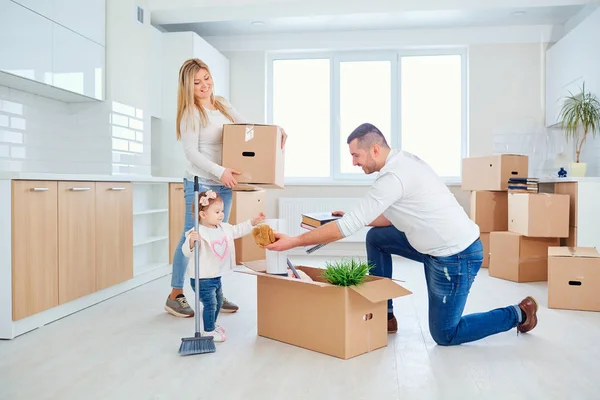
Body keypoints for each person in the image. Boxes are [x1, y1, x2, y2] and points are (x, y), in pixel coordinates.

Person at [265, 122, 539, 346]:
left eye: (356, 156)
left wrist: (294, 242)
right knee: (377, 238)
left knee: (445, 334)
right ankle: (386, 314)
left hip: (455, 257)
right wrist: (352, 218)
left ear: (374, 149)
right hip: (432, 247)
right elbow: (392, 215)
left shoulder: (393, 177)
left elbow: (346, 230)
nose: (353, 163)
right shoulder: (400, 161)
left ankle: (519, 312)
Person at [165, 58, 288, 318]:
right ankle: (176, 294)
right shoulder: (191, 113)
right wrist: (220, 171)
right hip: (200, 183)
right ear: (187, 86)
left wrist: (276, 134)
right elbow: (191, 153)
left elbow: (248, 130)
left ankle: (213, 293)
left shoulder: (221, 104)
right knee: (192, 237)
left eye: (206, 78)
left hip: (224, 184)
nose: (204, 85)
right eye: (196, 82)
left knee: (219, 236)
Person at [182, 189, 266, 342]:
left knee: (218, 302)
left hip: (215, 276)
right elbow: (186, 252)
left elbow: (238, 229)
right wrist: (190, 242)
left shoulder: (224, 228)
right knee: (211, 304)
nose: (221, 214)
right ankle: (208, 331)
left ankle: (211, 325)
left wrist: (252, 222)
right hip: (202, 278)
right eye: (217, 211)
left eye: (222, 211)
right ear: (203, 214)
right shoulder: (196, 232)